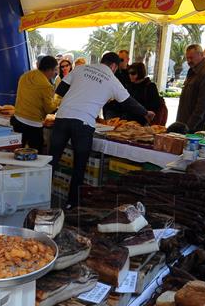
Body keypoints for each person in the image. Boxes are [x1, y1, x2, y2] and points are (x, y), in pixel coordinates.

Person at [51, 52, 147, 208]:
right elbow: (129, 103)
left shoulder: (80, 69)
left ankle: (39, 196)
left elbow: (60, 90)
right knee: (79, 165)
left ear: (102, 61)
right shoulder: (112, 79)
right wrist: (145, 112)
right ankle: (71, 204)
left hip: (62, 117)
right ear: (114, 66)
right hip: (84, 123)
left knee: (52, 160)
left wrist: (80, 93)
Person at [11, 55, 58, 153]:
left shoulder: (25, 75)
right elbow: (49, 109)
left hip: (17, 119)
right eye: (54, 70)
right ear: (49, 70)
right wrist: (59, 102)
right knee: (36, 155)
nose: (55, 73)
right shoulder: (46, 85)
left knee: (16, 152)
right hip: (33, 124)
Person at [176, 44, 205, 132]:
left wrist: (188, 127)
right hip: (188, 125)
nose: (188, 61)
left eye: (191, 58)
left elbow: (203, 105)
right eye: (187, 58)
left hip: (197, 130)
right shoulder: (193, 70)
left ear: (201, 55)